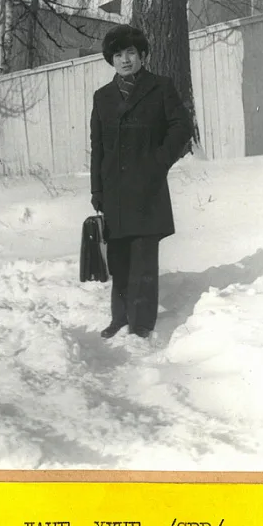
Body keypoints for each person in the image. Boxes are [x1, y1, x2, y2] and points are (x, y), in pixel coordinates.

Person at [90, 24, 192, 340]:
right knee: (119, 259)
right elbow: (98, 146)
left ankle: (142, 324)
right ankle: (119, 317)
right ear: (111, 60)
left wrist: (158, 161)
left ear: (143, 55)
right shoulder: (102, 97)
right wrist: (97, 189)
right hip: (115, 192)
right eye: (118, 55)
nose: (125, 60)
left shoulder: (160, 88)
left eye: (131, 52)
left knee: (144, 261)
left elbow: (182, 127)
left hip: (148, 188)